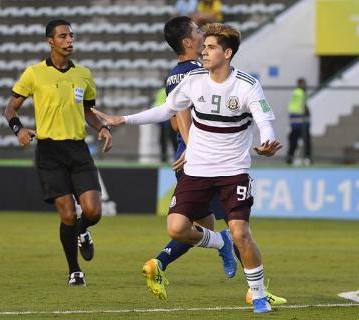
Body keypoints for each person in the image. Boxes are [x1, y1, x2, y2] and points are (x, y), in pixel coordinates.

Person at [93, 23, 283, 313]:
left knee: (241, 233)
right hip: (197, 170)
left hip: (233, 171)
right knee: (177, 227)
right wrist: (123, 119)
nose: (203, 52)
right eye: (203, 46)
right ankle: (220, 242)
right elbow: (167, 109)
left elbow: (265, 121)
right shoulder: (193, 79)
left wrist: (268, 142)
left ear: (227, 53)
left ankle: (257, 295)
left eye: (210, 48)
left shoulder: (247, 85)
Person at [143, 16, 286, 306]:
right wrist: (191, 146)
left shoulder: (175, 74)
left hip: (200, 159)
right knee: (234, 230)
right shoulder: (196, 73)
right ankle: (253, 289)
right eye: (198, 34)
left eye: (210, 44)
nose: (203, 44)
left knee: (212, 227)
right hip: (201, 160)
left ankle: (166, 262)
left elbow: (174, 118)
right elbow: (177, 114)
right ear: (188, 42)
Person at [4, 19, 112, 286]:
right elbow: (10, 108)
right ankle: (74, 270)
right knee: (67, 215)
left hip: (78, 150)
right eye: (63, 36)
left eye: (72, 36)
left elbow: (88, 111)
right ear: (50, 41)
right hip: (50, 152)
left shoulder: (84, 75)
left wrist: (103, 128)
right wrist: (18, 129)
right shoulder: (33, 73)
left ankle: (82, 231)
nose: (69, 40)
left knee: (93, 211)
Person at [286, 78, 312, 165]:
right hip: (299, 118)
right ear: (299, 84)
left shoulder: (296, 92)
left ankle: (290, 158)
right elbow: (303, 105)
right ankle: (307, 158)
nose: (305, 85)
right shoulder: (300, 92)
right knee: (305, 139)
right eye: (303, 83)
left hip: (295, 119)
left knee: (294, 139)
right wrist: (307, 112)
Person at [154, 87, 178, 162]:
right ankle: (176, 157)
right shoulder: (173, 89)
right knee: (173, 139)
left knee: (163, 140)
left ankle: (163, 158)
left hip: (162, 119)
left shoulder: (160, 91)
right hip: (170, 118)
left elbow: (157, 105)